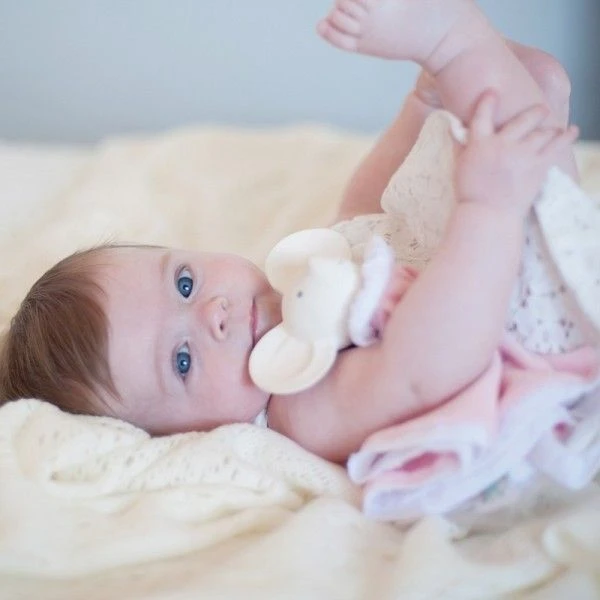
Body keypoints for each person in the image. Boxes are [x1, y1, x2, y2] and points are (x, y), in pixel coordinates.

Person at [0, 0, 585, 465]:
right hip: (506, 330)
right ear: (183, 436)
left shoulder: (294, 298)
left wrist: (421, 107)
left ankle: (488, 81)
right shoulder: (303, 407)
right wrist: (489, 207)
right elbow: (424, 367)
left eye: (184, 283)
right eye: (181, 360)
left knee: (505, 108)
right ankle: (453, 37)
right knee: (506, 137)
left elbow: (358, 213)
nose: (212, 314)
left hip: (461, 270)